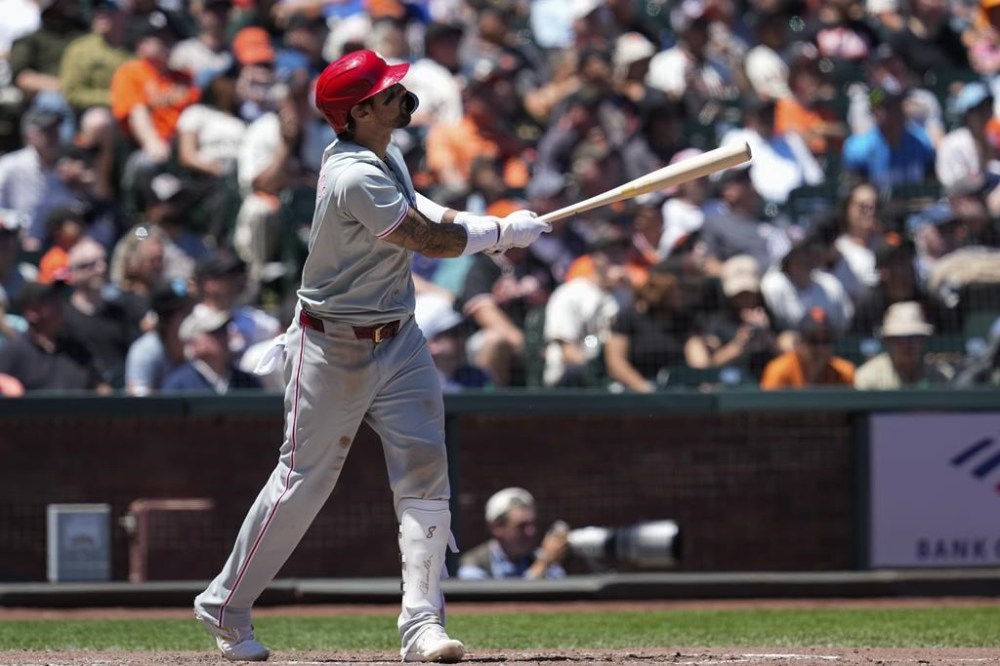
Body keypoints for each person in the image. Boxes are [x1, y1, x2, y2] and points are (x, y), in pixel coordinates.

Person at [192, 49, 551, 663]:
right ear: (357, 112)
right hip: (332, 346)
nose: (401, 97)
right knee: (304, 482)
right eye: (387, 93)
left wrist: (489, 226)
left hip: (401, 338)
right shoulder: (353, 173)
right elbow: (422, 238)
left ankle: (422, 625)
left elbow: (427, 211)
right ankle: (225, 605)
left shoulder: (388, 153)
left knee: (425, 472)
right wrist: (495, 235)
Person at [457, 487, 568, 581]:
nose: (531, 531)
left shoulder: (541, 557)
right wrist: (542, 565)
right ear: (497, 527)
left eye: (533, 524)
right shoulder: (474, 564)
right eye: (521, 526)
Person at [161, 303, 262, 393]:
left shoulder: (248, 382)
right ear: (193, 341)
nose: (225, 336)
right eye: (216, 332)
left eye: (225, 330)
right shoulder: (178, 385)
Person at [854, 301, 951, 389]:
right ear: (887, 341)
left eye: (913, 337)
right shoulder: (867, 378)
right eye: (899, 338)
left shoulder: (941, 376)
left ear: (923, 340)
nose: (907, 345)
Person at [760, 306, 856, 389]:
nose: (820, 348)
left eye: (826, 341)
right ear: (798, 344)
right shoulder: (780, 371)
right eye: (813, 341)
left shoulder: (843, 372)